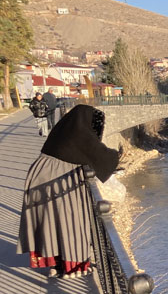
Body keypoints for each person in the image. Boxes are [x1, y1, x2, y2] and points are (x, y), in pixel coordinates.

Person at [17, 105, 120, 278]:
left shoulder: (64, 130)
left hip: (38, 176)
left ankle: (55, 264)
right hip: (59, 179)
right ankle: (74, 266)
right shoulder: (81, 135)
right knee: (71, 219)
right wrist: (117, 154)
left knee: (49, 222)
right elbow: (101, 155)